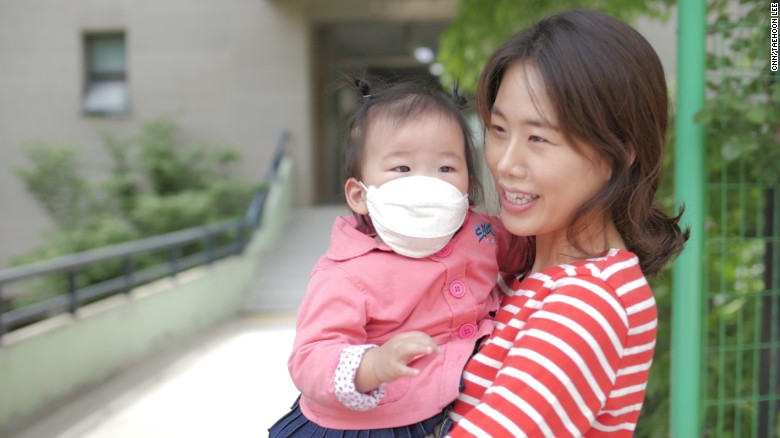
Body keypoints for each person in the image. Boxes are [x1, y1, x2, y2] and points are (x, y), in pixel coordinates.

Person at [441, 9, 690, 437]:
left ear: (620, 152)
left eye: (539, 138)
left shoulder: (590, 301)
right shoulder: (518, 270)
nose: (506, 163)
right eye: (498, 130)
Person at [268, 78, 527, 437]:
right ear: (359, 195)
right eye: (402, 169)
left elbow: (532, 253)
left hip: (444, 412)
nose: (427, 183)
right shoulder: (346, 272)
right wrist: (372, 365)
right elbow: (311, 356)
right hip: (367, 427)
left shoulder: (482, 233)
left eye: (446, 169)